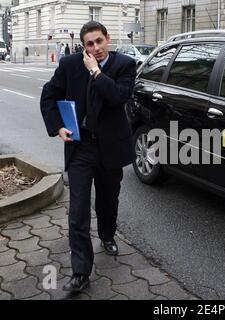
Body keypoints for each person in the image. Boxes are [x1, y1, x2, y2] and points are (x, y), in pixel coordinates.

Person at [40, 21, 136, 292]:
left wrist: (95, 72)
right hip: (81, 148)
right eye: (89, 45)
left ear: (108, 38)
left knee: (108, 201)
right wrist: (57, 126)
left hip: (110, 149)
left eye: (99, 42)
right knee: (78, 211)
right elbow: (48, 96)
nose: (96, 48)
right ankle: (81, 272)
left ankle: (107, 234)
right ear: (83, 47)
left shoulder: (124, 65)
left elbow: (118, 97)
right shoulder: (70, 65)